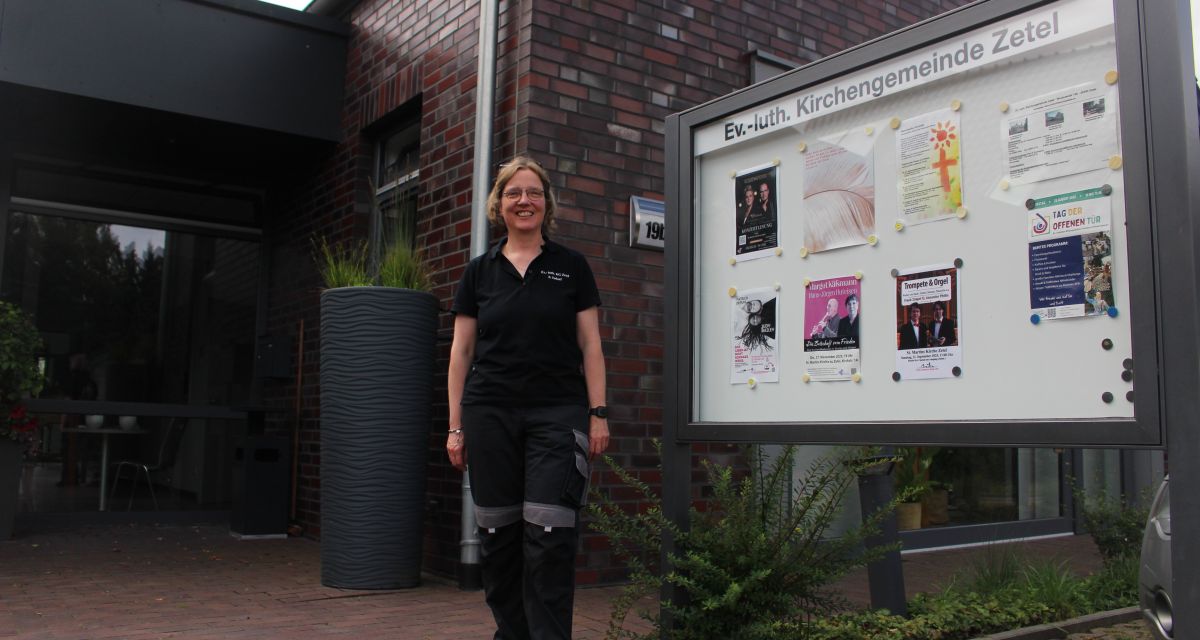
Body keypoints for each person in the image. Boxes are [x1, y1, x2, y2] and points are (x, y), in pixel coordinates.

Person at [447, 156, 610, 640]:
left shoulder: (571, 267)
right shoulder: (479, 273)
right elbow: (461, 353)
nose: (525, 201)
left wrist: (598, 413)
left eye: (534, 192)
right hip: (488, 413)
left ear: (546, 204)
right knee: (498, 537)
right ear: (499, 204)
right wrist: (455, 427)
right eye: (514, 192)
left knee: (549, 535)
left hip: (557, 412)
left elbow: (591, 346)